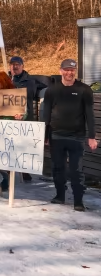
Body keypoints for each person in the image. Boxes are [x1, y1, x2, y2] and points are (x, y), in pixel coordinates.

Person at [42, 59, 97, 212]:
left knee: (76, 170)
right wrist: (44, 135)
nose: (69, 73)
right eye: (66, 69)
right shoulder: (52, 90)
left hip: (76, 137)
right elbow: (46, 113)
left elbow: (89, 114)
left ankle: (78, 200)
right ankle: (60, 195)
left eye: (72, 70)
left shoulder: (84, 89)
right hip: (56, 135)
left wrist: (92, 136)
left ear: (75, 71)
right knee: (57, 167)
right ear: (60, 71)